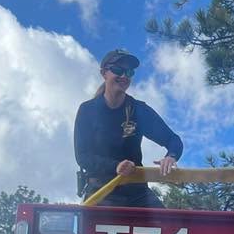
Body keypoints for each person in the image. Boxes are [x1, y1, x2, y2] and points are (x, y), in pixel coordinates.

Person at [73, 48, 184, 209]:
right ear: (104, 73)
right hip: (101, 189)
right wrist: (116, 166)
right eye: (118, 70)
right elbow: (83, 156)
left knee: (166, 221)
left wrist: (171, 156)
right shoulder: (87, 110)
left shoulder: (139, 110)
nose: (124, 76)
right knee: (97, 224)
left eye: (129, 72)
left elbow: (173, 140)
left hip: (136, 191)